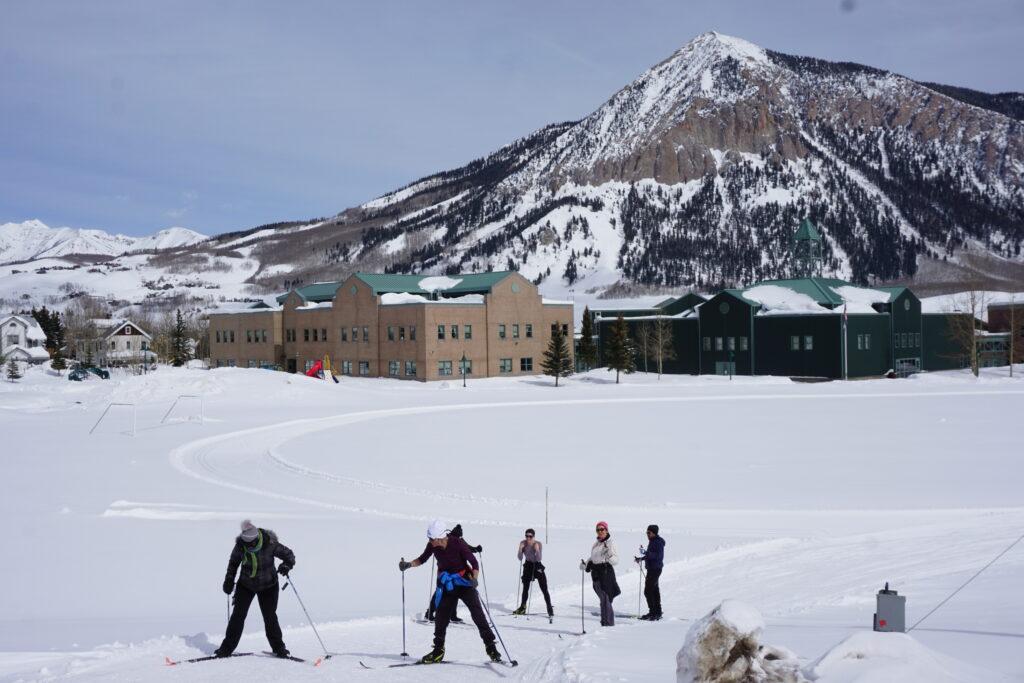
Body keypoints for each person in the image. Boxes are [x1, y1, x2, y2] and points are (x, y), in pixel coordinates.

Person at [400, 520, 500, 664]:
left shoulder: (457, 543)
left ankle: (491, 647)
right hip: (448, 584)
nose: (429, 541)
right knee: (441, 617)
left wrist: (475, 579)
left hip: (464, 582)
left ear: (439, 538)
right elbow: (422, 559)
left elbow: (474, 563)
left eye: (431, 538)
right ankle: (438, 651)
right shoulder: (432, 546)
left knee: (478, 614)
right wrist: (408, 564)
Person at [215, 520, 295, 658]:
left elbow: (289, 555)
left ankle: (279, 648)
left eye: (251, 542)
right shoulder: (241, 546)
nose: (249, 545)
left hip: (269, 585)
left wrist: (286, 566)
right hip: (246, 585)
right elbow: (233, 563)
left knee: (270, 617)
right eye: (246, 543)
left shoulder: (269, 543)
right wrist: (229, 580)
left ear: (256, 538)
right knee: (237, 617)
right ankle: (226, 649)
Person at [425, 523, 481, 623]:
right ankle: (430, 612)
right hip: (444, 573)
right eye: (459, 534)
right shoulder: (448, 539)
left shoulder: (459, 540)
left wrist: (476, 549)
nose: (460, 536)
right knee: (440, 593)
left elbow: (468, 548)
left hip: (457, 573)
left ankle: (453, 615)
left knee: (454, 593)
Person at [580, 521, 620, 626]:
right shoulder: (596, 544)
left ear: (606, 530)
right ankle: (604, 622)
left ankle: (609, 624)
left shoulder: (610, 543)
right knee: (602, 600)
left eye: (602, 529)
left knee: (606, 600)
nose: (600, 531)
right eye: (598, 530)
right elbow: (593, 558)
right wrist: (586, 564)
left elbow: (616, 560)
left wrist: (609, 556)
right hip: (596, 574)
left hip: (606, 574)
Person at [513, 528, 553, 617]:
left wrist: (537, 550)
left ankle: (549, 607)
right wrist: (520, 549)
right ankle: (522, 607)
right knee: (525, 587)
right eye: (526, 536)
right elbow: (520, 558)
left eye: (530, 536)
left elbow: (539, 558)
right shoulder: (523, 543)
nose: (528, 538)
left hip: (537, 566)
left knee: (544, 588)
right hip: (528, 566)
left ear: (533, 536)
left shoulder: (537, 544)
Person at [635, 524, 665, 620]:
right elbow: (651, 555)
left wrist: (646, 552)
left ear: (654, 533)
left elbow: (658, 556)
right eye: (646, 532)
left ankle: (653, 612)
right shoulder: (652, 541)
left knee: (648, 591)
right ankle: (657, 612)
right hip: (652, 569)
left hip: (655, 569)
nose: (647, 534)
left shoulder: (658, 542)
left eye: (649, 533)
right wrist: (641, 558)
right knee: (654, 590)